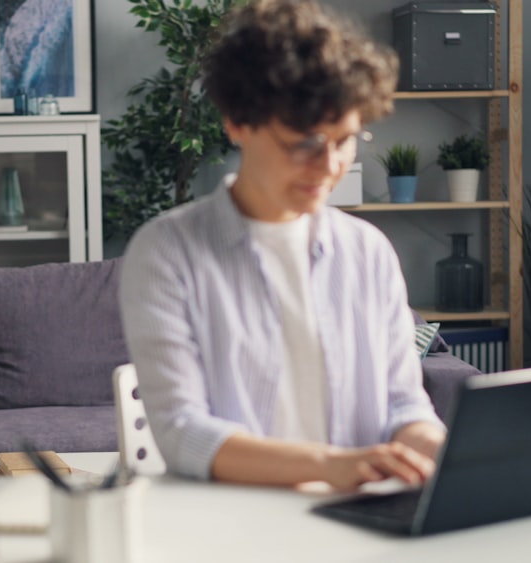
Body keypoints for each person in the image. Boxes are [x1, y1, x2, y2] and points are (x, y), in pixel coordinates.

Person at [118, 0, 446, 493]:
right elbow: (182, 432)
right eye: (306, 142)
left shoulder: (367, 251)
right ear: (237, 122)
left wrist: (436, 446)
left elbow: (404, 404)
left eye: (346, 140)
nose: (330, 165)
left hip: (362, 519)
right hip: (236, 526)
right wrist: (331, 464)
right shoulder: (168, 252)